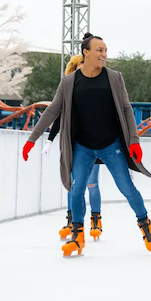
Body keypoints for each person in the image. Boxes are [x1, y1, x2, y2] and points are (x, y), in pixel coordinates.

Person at [21, 32, 151, 257]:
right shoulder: (69, 82)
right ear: (86, 52)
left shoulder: (114, 78)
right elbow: (53, 110)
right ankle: (77, 236)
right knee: (76, 190)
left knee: (127, 188)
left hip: (110, 144)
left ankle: (145, 224)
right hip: (82, 146)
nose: (104, 54)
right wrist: (31, 139)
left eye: (105, 50)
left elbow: (126, 108)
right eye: (99, 50)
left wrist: (134, 140)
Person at [48, 54, 104, 241]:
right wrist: (49, 139)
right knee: (73, 185)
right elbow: (58, 116)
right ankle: (72, 220)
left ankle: (96, 219)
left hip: (93, 144)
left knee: (91, 184)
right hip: (73, 146)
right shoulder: (68, 90)